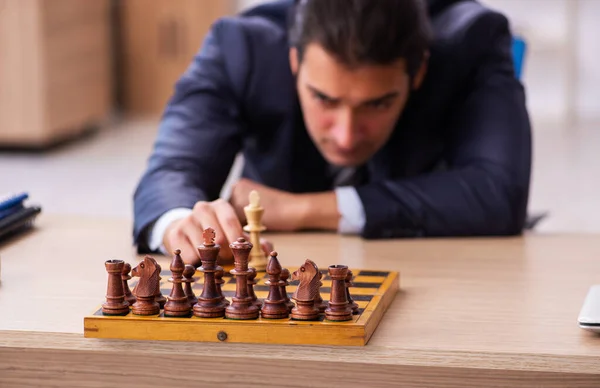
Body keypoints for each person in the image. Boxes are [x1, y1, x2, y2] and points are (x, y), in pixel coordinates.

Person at [133, 0, 532, 265]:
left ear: (419, 72)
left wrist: (303, 208)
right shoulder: (242, 47)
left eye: (377, 104)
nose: (345, 135)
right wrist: (178, 224)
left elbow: (498, 192)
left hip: (441, 278)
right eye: (323, 99)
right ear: (295, 62)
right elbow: (170, 171)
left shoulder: (472, 39)